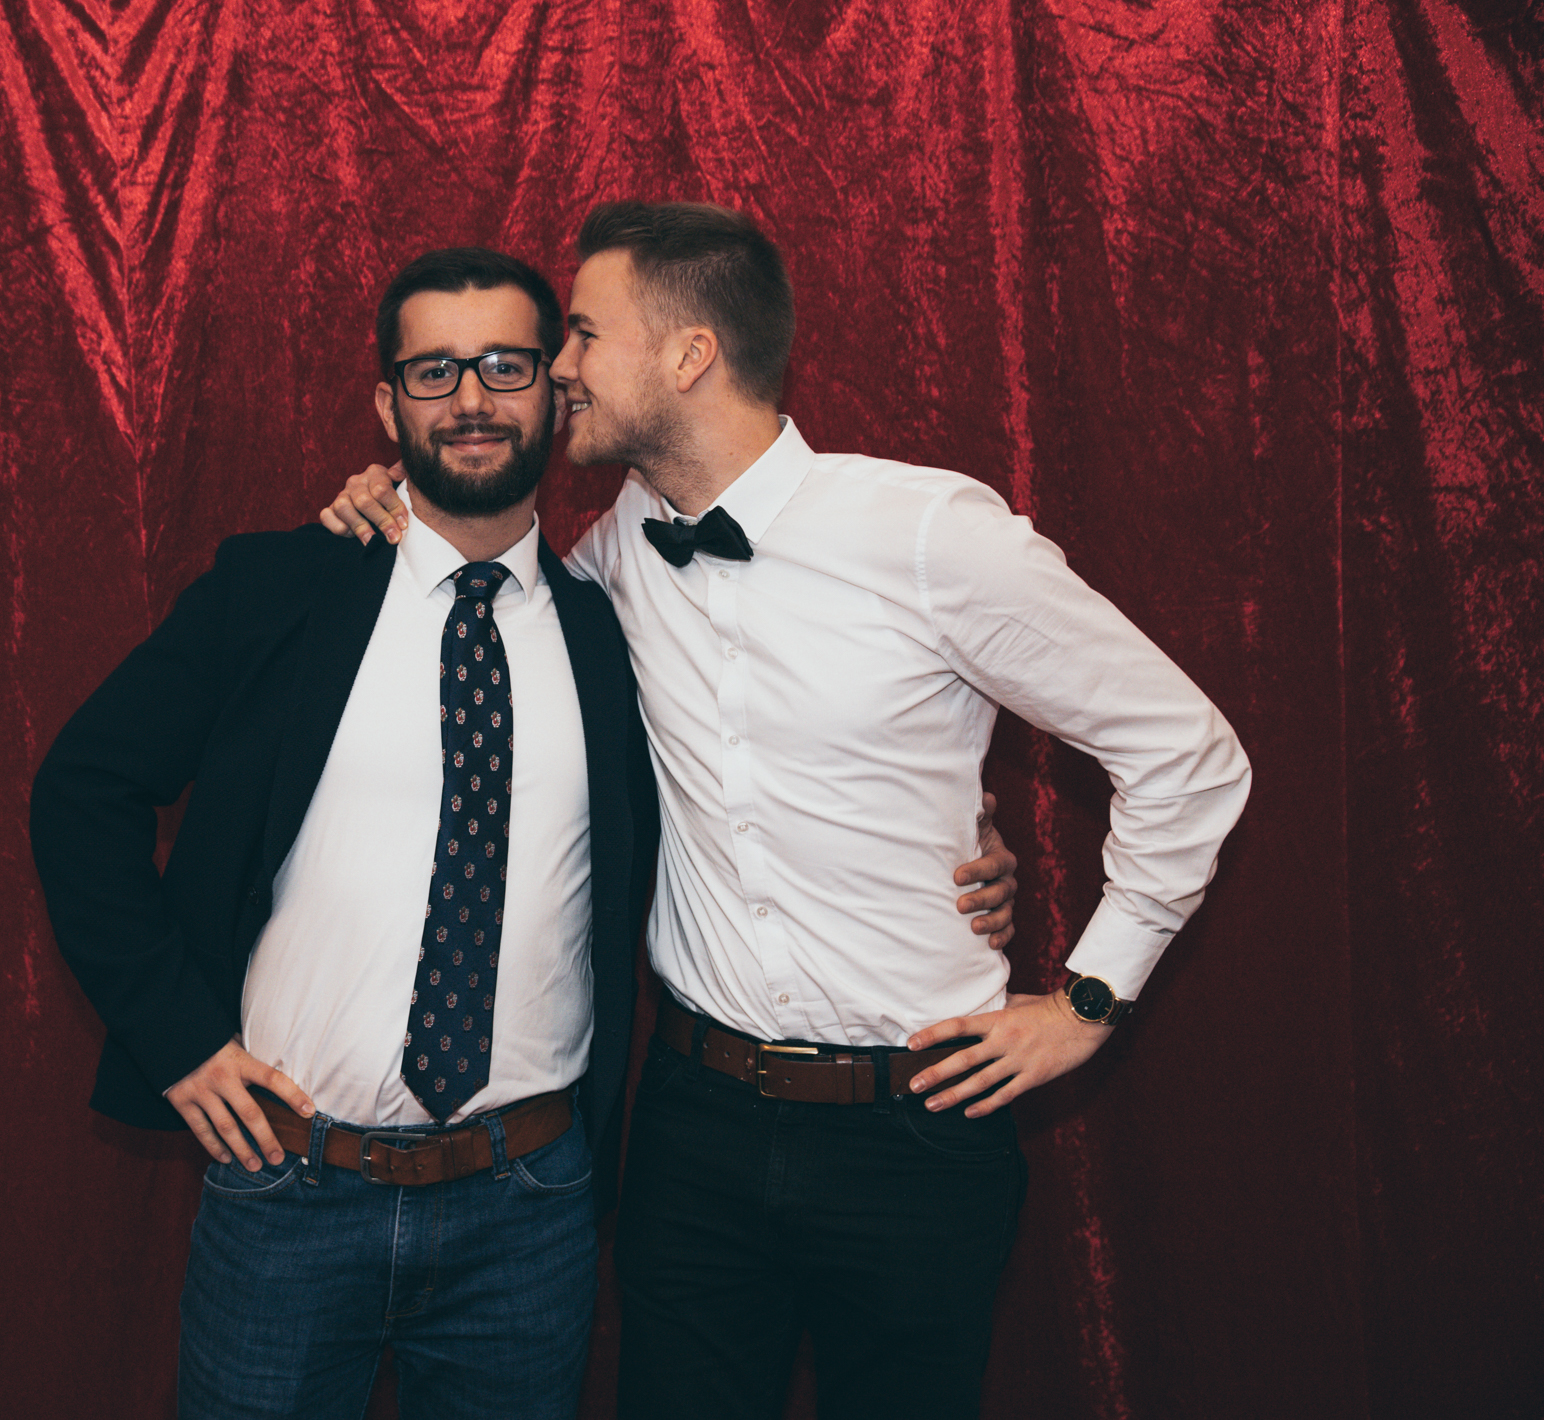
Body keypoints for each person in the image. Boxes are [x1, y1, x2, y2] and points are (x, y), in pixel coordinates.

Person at [30, 243, 1026, 1420]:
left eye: (504, 365)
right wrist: (178, 1038)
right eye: (433, 371)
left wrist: (946, 838)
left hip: (526, 1212)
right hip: (288, 1192)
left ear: (555, 393)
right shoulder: (278, 591)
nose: (469, 399)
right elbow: (80, 790)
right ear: (386, 405)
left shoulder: (613, 625)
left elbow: (760, 774)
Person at [322, 202, 1252, 1420]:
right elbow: (491, 596)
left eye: (583, 335)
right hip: (692, 1125)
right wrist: (388, 507)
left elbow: (1185, 751)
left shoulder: (926, 534)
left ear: (688, 354)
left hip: (915, 1127)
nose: (557, 368)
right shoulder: (611, 550)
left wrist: (1088, 999)